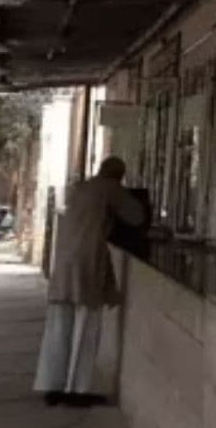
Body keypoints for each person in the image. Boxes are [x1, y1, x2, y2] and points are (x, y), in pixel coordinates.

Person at [34, 157, 144, 407]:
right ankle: (78, 390)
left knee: (59, 327)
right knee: (85, 327)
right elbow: (136, 216)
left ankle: (53, 387)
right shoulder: (110, 188)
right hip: (87, 264)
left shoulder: (81, 187)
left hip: (64, 264)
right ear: (119, 175)